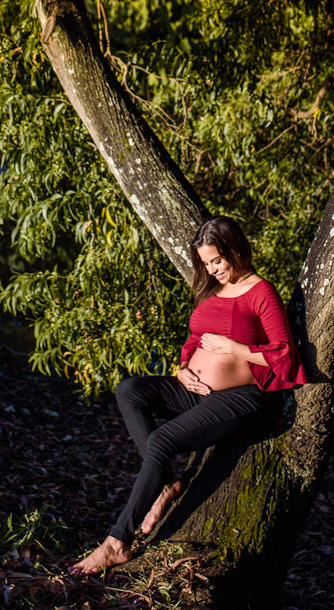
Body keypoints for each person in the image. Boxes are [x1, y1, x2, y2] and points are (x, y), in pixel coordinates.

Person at [68, 215, 307, 574]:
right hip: (193, 389)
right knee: (129, 390)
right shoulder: (213, 291)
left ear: (236, 250)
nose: (212, 270)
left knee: (163, 440)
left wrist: (234, 347)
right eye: (206, 263)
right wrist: (182, 367)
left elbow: (285, 355)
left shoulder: (262, 292)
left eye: (217, 260)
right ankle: (166, 481)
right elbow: (195, 338)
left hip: (241, 397)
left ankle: (117, 542)